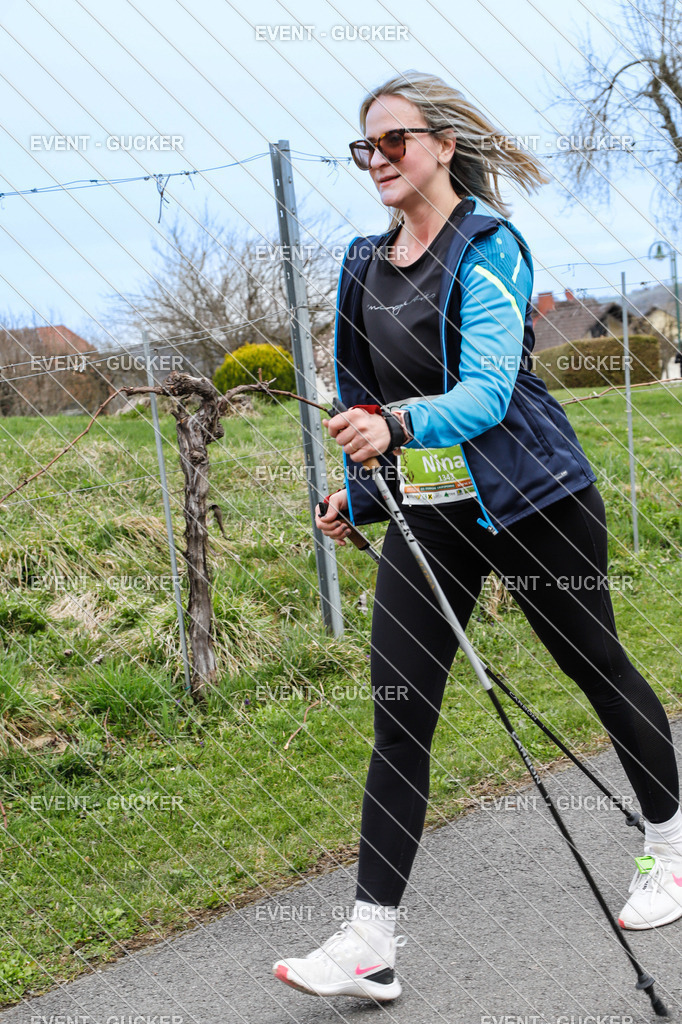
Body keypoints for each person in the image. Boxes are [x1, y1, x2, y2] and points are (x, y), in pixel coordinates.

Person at [272, 71, 682, 1003]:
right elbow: (357, 396)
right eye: (362, 148)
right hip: (435, 513)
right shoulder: (360, 265)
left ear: (443, 146)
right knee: (399, 710)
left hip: (534, 497)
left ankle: (669, 843)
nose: (376, 161)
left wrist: (398, 430)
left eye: (394, 142)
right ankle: (370, 940)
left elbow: (486, 394)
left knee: (596, 667)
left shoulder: (489, 248)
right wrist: (360, 495)